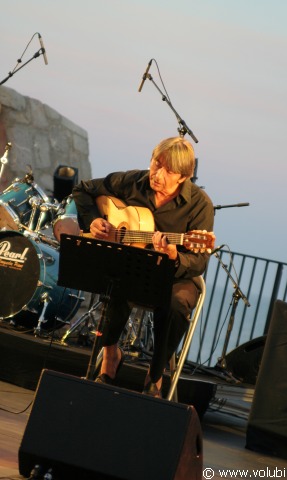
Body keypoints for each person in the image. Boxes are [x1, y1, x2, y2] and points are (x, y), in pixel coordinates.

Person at [72, 136, 215, 398]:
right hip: (131, 265)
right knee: (119, 280)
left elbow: (199, 261)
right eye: (155, 163)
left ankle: (156, 375)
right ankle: (110, 356)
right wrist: (93, 220)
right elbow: (83, 189)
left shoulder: (200, 204)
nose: (157, 174)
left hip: (175, 275)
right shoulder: (133, 181)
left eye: (167, 170)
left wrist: (174, 256)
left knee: (176, 303)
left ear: (183, 177)